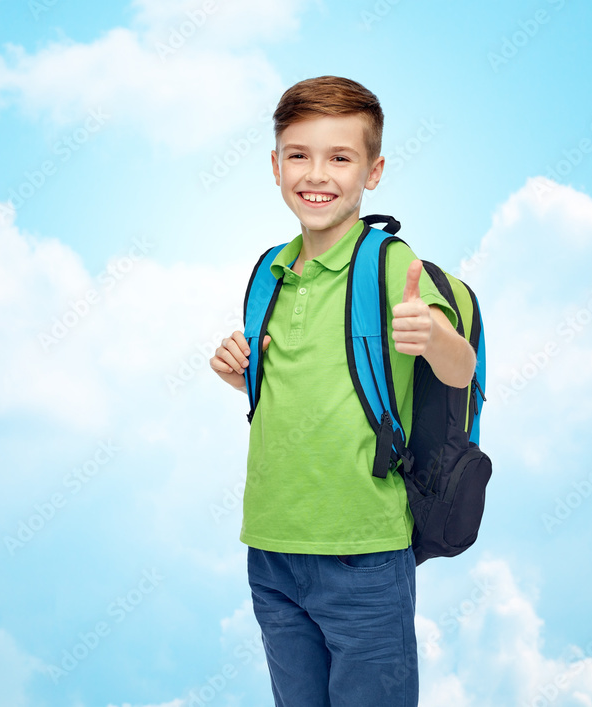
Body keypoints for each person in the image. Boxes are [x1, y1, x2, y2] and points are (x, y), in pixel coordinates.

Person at [209, 75, 476, 707]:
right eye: (298, 155)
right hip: (270, 545)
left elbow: (460, 368)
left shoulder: (389, 264)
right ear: (275, 166)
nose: (316, 174)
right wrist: (237, 373)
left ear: (373, 170)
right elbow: (297, 388)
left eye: (340, 157)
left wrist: (431, 336)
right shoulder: (269, 269)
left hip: (363, 551)